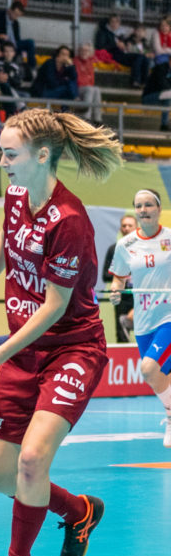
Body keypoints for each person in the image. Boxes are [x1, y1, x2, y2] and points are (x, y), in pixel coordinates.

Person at [0, 108, 123, 556]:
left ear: (42, 155)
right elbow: (2, 243)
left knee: (30, 461)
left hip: (71, 348)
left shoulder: (70, 220)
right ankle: (78, 511)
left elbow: (54, 307)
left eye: (11, 154)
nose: (2, 161)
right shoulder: (15, 195)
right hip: (24, 351)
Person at [107, 190, 171, 446]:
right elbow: (119, 278)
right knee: (158, 376)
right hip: (144, 322)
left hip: (168, 316)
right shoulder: (126, 245)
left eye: (148, 205)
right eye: (138, 206)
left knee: (148, 368)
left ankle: (170, 417)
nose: (143, 209)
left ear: (158, 208)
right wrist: (115, 291)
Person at [102, 214, 137, 343]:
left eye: (130, 225)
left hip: (140, 296)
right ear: (120, 229)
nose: (127, 228)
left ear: (136, 228)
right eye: (124, 226)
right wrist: (122, 276)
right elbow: (105, 275)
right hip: (122, 297)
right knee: (122, 334)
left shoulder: (144, 248)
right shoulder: (114, 249)